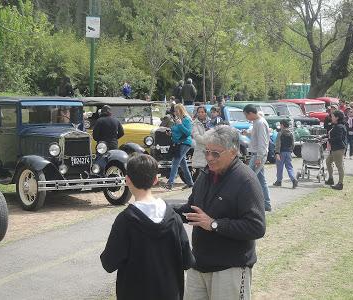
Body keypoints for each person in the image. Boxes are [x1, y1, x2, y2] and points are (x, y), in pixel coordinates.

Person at [173, 125, 266, 300]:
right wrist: (163, 212)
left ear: (233, 152)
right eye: (207, 151)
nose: (209, 157)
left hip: (230, 268)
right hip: (198, 265)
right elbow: (192, 210)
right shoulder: (205, 174)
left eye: (215, 153)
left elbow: (257, 227)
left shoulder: (246, 180)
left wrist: (214, 224)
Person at [100, 154, 194, 300]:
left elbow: (109, 263)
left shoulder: (125, 220)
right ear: (156, 179)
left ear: (127, 180)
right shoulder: (173, 218)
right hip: (169, 293)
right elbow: (188, 261)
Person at [243, 104, 272, 211]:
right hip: (257, 154)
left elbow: (262, 142)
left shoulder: (260, 123)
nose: (246, 118)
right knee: (261, 179)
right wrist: (248, 133)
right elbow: (256, 136)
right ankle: (267, 204)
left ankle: (248, 204)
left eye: (246, 115)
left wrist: (259, 157)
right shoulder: (257, 122)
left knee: (248, 179)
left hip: (258, 155)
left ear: (251, 113)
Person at [164, 104, 194, 190]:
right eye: (174, 110)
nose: (175, 112)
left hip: (185, 143)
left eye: (176, 110)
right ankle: (190, 183)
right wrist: (171, 133)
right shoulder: (178, 120)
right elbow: (178, 132)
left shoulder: (186, 119)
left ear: (181, 110)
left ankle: (170, 183)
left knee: (175, 162)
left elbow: (188, 133)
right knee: (183, 164)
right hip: (179, 143)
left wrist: (180, 125)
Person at [325, 110, 347, 190]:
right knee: (328, 161)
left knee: (339, 166)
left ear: (337, 117)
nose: (331, 117)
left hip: (338, 149)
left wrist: (328, 140)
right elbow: (331, 135)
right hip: (334, 148)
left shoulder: (340, 127)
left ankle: (340, 183)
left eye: (333, 116)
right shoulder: (336, 125)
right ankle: (331, 179)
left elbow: (338, 138)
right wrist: (324, 137)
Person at [273, 119, 298, 188]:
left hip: (281, 152)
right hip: (288, 152)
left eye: (280, 125)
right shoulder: (291, 133)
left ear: (282, 125)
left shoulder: (280, 133)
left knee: (280, 168)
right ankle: (293, 179)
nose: (280, 126)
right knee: (289, 167)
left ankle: (279, 181)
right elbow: (293, 144)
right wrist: (290, 151)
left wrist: (277, 153)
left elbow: (278, 144)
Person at [192, 106, 210, 178]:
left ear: (205, 113)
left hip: (211, 151)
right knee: (201, 174)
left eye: (202, 112)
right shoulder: (194, 123)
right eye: (199, 112)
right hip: (201, 151)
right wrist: (207, 141)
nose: (200, 114)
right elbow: (196, 136)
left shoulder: (211, 122)